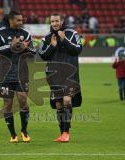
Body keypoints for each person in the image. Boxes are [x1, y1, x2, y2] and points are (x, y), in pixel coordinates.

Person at [0, 11, 35, 143]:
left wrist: (26, 48)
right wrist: (10, 46)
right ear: (11, 20)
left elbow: (33, 52)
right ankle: (13, 134)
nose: (21, 22)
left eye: (22, 20)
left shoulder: (26, 34)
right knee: (7, 104)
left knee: (23, 102)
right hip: (5, 74)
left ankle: (24, 130)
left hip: (22, 73)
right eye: (18, 20)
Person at [38, 12, 82, 142]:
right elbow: (42, 55)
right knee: (58, 105)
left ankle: (66, 132)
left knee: (67, 100)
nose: (55, 24)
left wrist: (64, 40)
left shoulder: (72, 34)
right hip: (54, 76)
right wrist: (52, 46)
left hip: (70, 75)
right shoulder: (46, 38)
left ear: (62, 21)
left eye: (57, 21)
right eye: (52, 21)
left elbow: (78, 49)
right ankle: (62, 132)